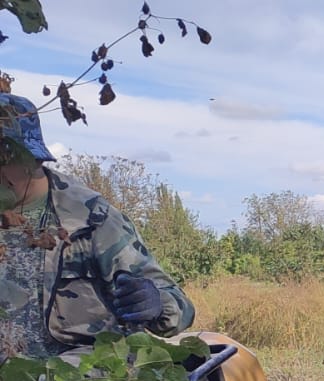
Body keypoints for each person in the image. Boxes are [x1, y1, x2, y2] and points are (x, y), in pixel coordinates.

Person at [0, 92, 192, 361]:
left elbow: (180, 308)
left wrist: (156, 303)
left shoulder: (92, 219)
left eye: (4, 155)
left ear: (33, 159)